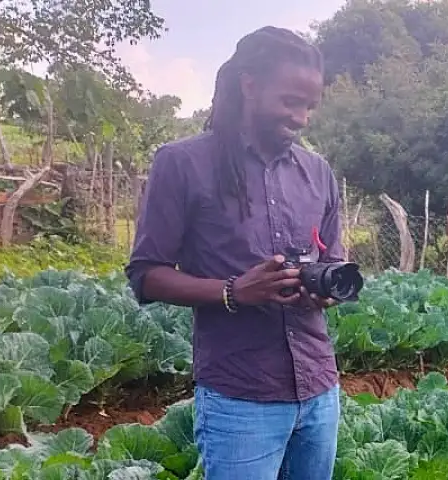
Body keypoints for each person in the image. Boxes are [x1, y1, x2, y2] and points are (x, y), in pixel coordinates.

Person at [125, 26, 344, 480]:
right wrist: (234, 290)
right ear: (249, 85)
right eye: (290, 102)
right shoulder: (184, 163)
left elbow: (334, 260)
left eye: (310, 107)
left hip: (320, 387)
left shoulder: (317, 172)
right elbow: (145, 275)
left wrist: (325, 286)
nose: (302, 118)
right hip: (242, 396)